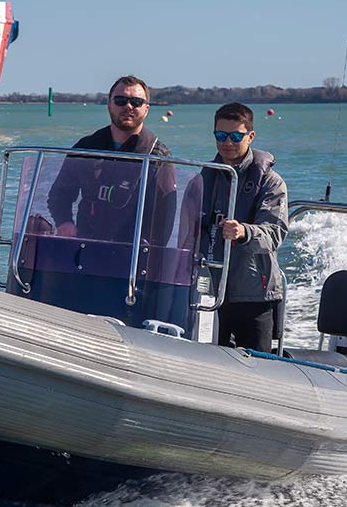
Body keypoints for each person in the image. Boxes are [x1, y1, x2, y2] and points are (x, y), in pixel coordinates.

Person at [197, 102, 288, 351]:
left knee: (258, 368)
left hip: (254, 295)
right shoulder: (203, 177)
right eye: (220, 135)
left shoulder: (271, 182)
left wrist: (244, 231)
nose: (227, 142)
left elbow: (275, 232)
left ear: (250, 136)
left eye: (236, 136)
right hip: (210, 291)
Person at [46, 75, 175, 244]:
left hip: (132, 253)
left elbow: (164, 218)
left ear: (146, 109)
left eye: (136, 102)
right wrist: (64, 222)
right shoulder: (87, 146)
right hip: (85, 247)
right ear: (109, 105)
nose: (128, 106)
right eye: (120, 100)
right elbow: (59, 194)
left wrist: (148, 253)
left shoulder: (157, 156)